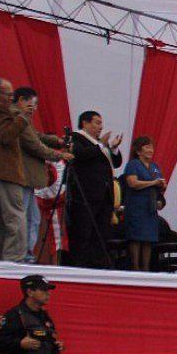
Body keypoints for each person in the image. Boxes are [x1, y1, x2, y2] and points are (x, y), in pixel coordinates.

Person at [12, 87, 75, 262]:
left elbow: (38, 136)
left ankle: (27, 255)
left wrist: (58, 141)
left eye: (35, 105)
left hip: (27, 178)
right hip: (22, 176)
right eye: (30, 103)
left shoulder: (24, 120)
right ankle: (21, 256)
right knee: (24, 218)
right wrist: (60, 154)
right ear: (20, 100)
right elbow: (35, 145)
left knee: (32, 218)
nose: (33, 108)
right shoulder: (18, 118)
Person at [67, 110, 124, 268]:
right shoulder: (77, 138)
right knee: (84, 231)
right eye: (97, 122)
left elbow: (116, 162)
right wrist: (101, 145)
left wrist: (113, 148)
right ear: (85, 123)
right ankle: (80, 265)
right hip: (86, 195)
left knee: (101, 233)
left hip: (104, 195)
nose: (101, 126)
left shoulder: (98, 143)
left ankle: (97, 264)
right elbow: (81, 155)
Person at [0, 79, 34, 262]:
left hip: (4, 174)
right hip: (7, 173)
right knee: (16, 221)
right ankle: (13, 261)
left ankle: (5, 260)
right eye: (8, 95)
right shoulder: (1, 110)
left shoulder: (1, 111)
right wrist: (23, 117)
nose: (11, 98)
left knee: (5, 222)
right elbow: (6, 135)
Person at [120, 137, 166, 271]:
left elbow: (160, 183)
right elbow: (132, 183)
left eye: (151, 147)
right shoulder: (133, 164)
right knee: (136, 238)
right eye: (147, 147)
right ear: (139, 151)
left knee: (148, 239)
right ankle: (135, 267)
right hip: (137, 207)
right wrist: (153, 183)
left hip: (150, 207)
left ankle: (146, 268)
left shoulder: (154, 167)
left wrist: (161, 187)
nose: (150, 150)